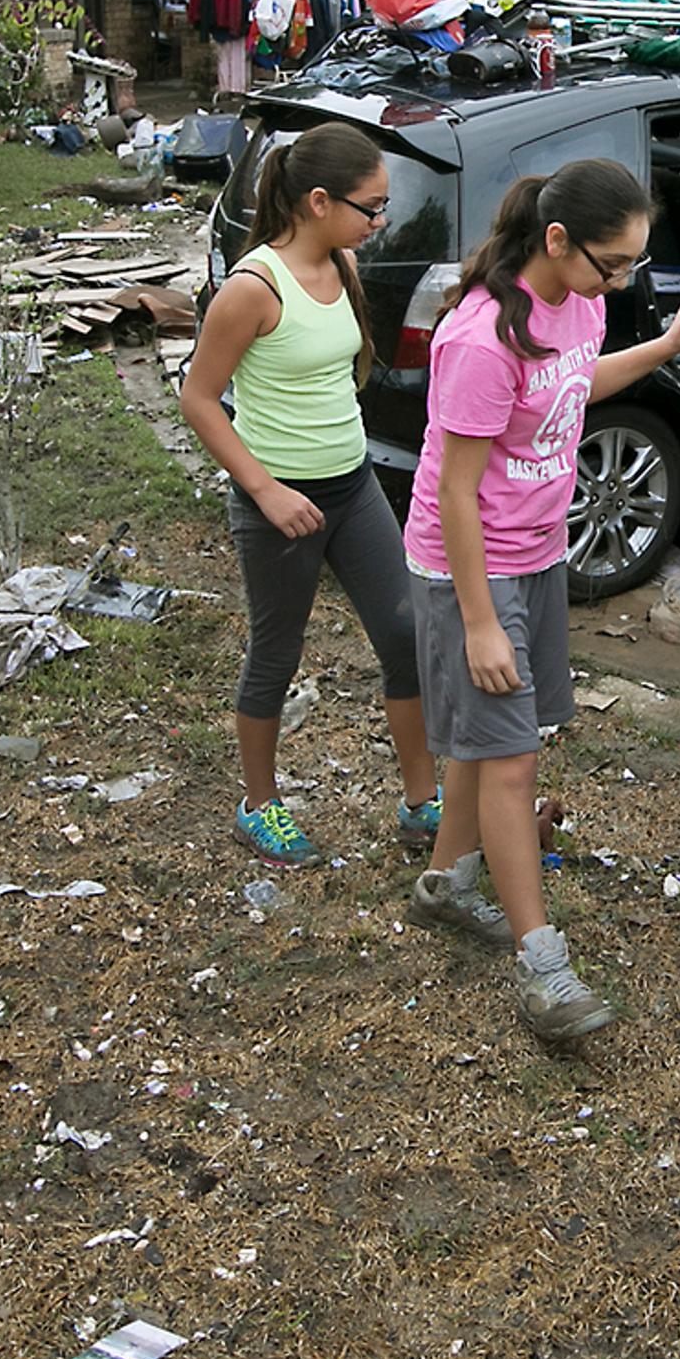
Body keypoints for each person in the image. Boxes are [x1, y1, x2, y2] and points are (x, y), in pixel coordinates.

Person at [405, 160, 680, 1041]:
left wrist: (661, 349)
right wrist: (479, 620)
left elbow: (576, 384)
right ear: (557, 240)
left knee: (491, 736)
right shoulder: (480, 340)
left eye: (631, 267)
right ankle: (544, 969)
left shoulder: (581, 305)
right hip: (472, 566)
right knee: (512, 763)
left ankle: (447, 883)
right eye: (609, 264)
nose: (620, 281)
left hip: (538, 554)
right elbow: (455, 493)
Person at [177, 123, 441, 867]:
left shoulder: (344, 263)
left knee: (404, 637)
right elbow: (198, 398)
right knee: (276, 654)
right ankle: (258, 806)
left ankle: (423, 804)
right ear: (319, 201)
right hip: (279, 502)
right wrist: (264, 492)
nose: (380, 221)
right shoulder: (250, 288)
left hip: (352, 489)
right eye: (371, 206)